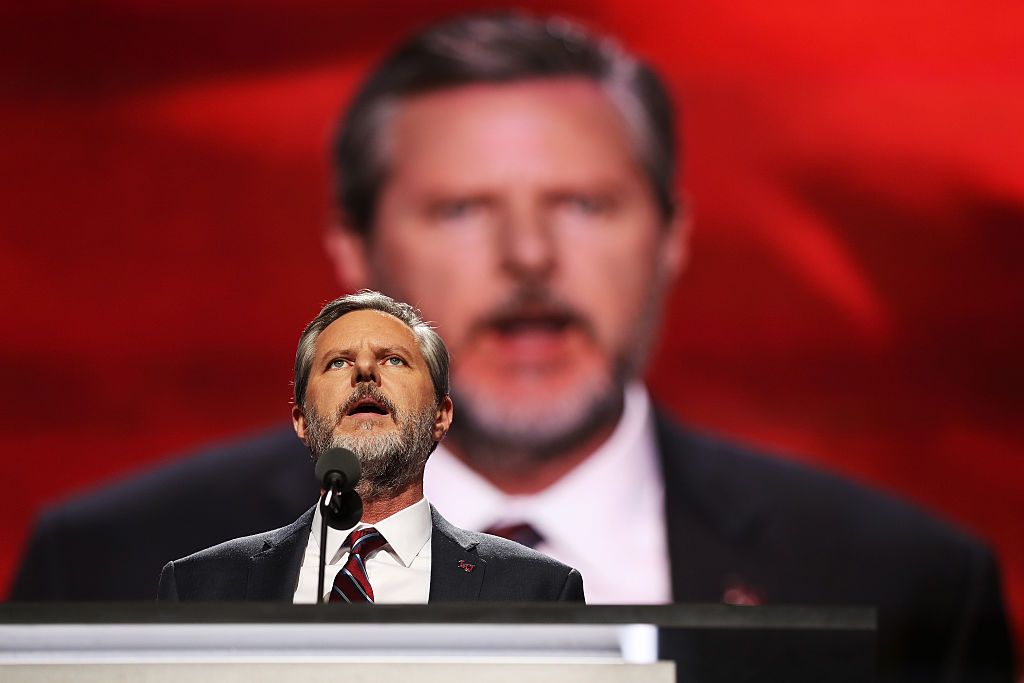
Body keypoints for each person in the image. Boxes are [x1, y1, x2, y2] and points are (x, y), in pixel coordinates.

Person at [11, 12, 1014, 681]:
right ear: (353, 250)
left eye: (583, 203)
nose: (529, 257)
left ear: (671, 238)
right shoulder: (112, 564)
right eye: (460, 209)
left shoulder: (904, 586)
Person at [159, 291, 584, 603]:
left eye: (394, 360)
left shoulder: (535, 590)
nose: (364, 371)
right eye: (338, 362)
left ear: (441, 415)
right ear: (302, 421)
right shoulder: (203, 587)